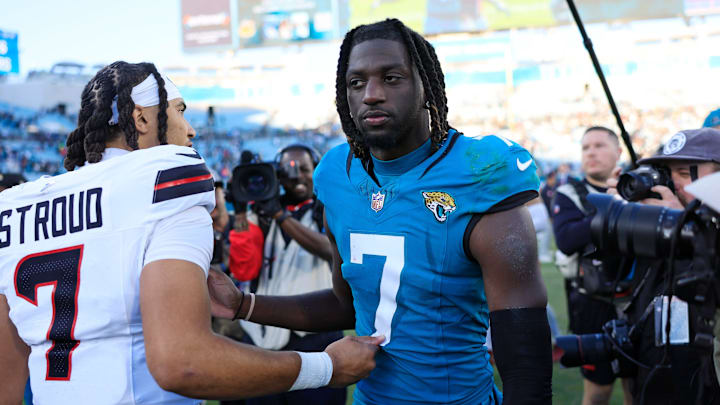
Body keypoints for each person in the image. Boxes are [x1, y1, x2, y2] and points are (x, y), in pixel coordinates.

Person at [208, 19, 552, 404]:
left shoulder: (478, 172)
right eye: (356, 83)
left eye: (391, 78)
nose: (371, 94)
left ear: (426, 86)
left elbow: (525, 363)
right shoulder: (338, 174)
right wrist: (243, 304)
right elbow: (346, 304)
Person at [0, 61, 381, 405]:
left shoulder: (16, 205)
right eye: (180, 111)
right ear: (143, 119)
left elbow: (6, 386)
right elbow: (182, 362)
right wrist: (326, 367)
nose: (191, 129)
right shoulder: (166, 182)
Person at [606, 128, 720, 404]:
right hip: (657, 375)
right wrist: (622, 217)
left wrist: (685, 227)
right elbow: (610, 273)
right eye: (667, 175)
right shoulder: (658, 227)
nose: (673, 185)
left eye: (683, 174)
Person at [232, 144, 346, 405]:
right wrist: (240, 214)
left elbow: (329, 250)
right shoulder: (261, 212)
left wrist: (280, 215)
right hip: (262, 339)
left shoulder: (328, 209)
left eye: (305, 169)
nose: (296, 176)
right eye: (287, 171)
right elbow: (243, 268)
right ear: (277, 176)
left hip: (315, 336)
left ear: (317, 170)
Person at [550, 126, 632, 405]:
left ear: (618, 152)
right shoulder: (569, 192)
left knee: (638, 387)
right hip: (593, 304)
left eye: (599, 145)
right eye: (586, 147)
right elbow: (567, 239)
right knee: (598, 391)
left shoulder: (634, 187)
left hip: (638, 300)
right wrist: (614, 206)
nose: (591, 152)